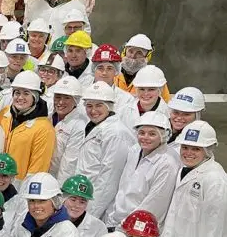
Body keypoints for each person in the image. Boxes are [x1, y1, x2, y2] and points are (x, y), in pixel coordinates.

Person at [107, 112, 178, 228]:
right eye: (141, 133)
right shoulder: (135, 150)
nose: (145, 137)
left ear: (163, 136)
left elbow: (154, 204)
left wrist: (125, 226)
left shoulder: (168, 163)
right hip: (116, 221)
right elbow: (123, 187)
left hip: (139, 228)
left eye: (152, 134)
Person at [77, 82, 136, 218]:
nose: (93, 111)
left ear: (109, 106)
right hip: (84, 196)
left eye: (99, 105)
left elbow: (109, 179)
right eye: (89, 106)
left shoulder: (116, 133)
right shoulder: (93, 126)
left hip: (99, 205)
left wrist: (89, 214)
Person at [0, 72, 55, 182]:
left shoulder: (44, 128)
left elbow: (38, 168)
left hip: (19, 186)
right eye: (17, 93)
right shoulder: (4, 114)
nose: (20, 97)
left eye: (26, 93)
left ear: (35, 97)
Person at [48, 76, 86, 184]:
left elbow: (69, 164)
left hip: (58, 180)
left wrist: (60, 190)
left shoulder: (79, 125)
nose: (60, 102)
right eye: (58, 97)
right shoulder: (48, 117)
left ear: (75, 100)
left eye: (66, 98)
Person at [116, 33, 172, 103]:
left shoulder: (155, 76)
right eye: (130, 51)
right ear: (124, 52)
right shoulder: (113, 72)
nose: (133, 56)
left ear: (147, 56)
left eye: (139, 53)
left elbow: (166, 104)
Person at [120, 65, 170, 129]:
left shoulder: (168, 115)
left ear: (160, 90)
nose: (146, 94)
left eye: (151, 89)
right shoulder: (124, 110)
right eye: (142, 89)